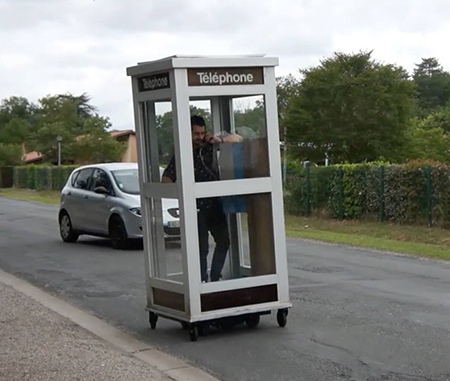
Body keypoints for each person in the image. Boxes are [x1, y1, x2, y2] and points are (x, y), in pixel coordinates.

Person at [162, 115, 243, 282]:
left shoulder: (210, 147)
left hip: (214, 204)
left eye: (201, 133)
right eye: (195, 134)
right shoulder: (183, 154)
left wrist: (218, 139)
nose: (199, 137)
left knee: (223, 241)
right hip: (196, 207)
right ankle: (201, 280)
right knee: (201, 248)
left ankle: (214, 277)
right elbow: (167, 178)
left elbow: (238, 139)